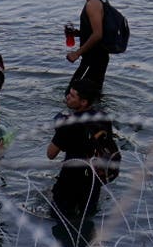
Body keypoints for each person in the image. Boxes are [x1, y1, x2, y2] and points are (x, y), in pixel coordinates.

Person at [47, 79, 113, 223]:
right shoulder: (103, 119)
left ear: (83, 102)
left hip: (69, 182)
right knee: (87, 220)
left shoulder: (67, 124)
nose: (67, 97)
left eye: (72, 95)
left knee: (59, 220)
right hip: (93, 181)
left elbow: (50, 154)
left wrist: (59, 128)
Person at [65, 0, 110, 99]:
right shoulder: (94, 3)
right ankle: (97, 116)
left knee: (72, 95)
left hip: (94, 59)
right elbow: (95, 31)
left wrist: (76, 53)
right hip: (96, 58)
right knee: (91, 97)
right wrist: (77, 33)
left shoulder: (93, 4)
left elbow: (97, 34)